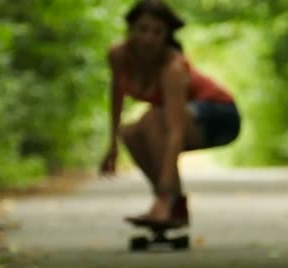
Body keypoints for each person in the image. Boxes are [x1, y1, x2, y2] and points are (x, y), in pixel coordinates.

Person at [99, 0, 241, 228]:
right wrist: (112, 146)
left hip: (220, 115)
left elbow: (174, 131)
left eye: (157, 32)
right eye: (142, 30)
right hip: (184, 116)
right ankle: (174, 207)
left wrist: (166, 185)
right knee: (131, 132)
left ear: (167, 36)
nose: (148, 39)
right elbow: (116, 97)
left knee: (153, 120)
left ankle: (166, 202)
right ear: (131, 30)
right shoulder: (118, 56)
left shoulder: (172, 68)